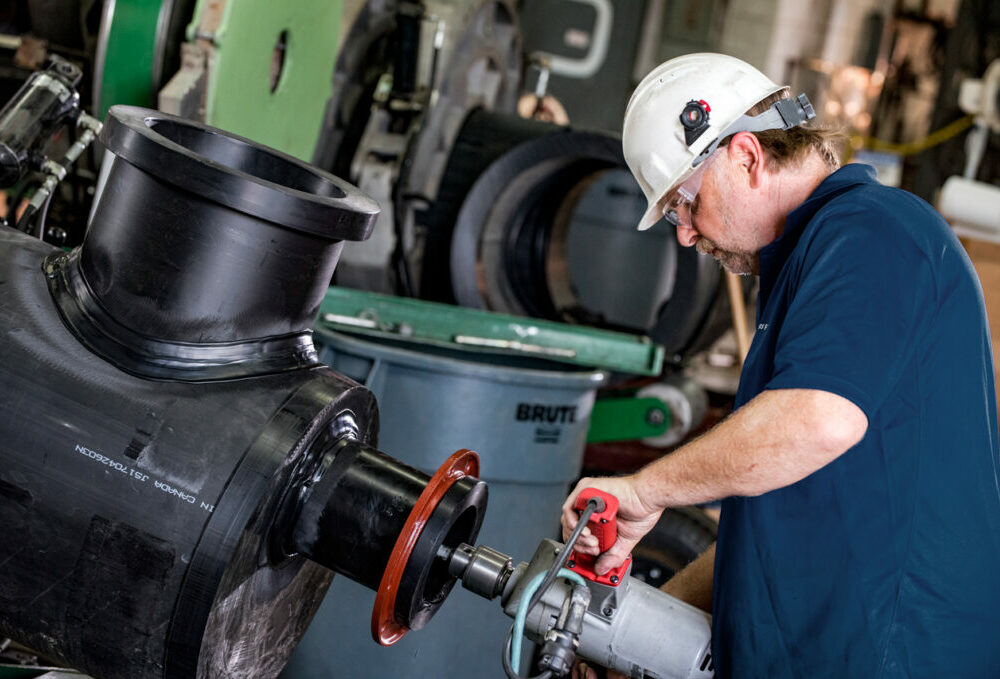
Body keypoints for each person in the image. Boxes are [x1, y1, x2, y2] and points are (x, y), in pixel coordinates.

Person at [563, 53, 1000, 678]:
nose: (685, 234)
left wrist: (643, 490)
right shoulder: (802, 266)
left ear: (745, 156)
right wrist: (636, 626)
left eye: (685, 204)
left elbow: (820, 422)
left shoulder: (873, 232)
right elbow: (776, 511)